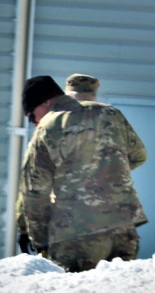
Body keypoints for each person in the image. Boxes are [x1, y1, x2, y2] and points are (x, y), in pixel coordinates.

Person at [18, 74, 148, 272]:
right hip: (122, 228)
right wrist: (103, 173)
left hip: (76, 233)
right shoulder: (112, 114)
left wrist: (39, 240)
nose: (34, 122)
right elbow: (139, 155)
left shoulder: (48, 126)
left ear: (46, 102)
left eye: (31, 115)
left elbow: (34, 191)